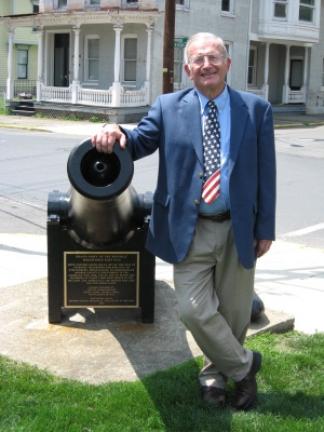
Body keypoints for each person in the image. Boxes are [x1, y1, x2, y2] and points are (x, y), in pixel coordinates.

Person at [91, 32, 276, 411]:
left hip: (237, 226)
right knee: (193, 310)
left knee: (235, 313)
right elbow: (139, 141)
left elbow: (266, 174)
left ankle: (214, 378)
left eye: (213, 57)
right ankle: (245, 367)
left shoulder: (255, 110)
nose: (206, 65)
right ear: (187, 69)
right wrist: (117, 131)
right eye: (198, 60)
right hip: (188, 227)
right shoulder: (168, 106)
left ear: (227, 63)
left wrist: (265, 228)